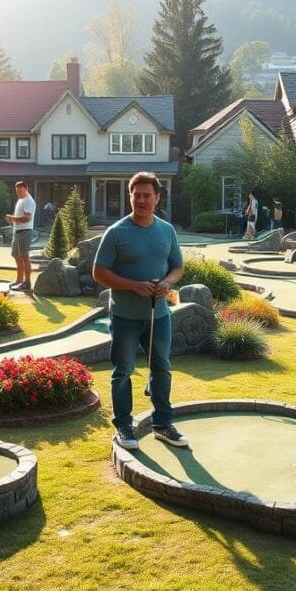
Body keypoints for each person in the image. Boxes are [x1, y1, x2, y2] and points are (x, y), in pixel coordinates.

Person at [93, 172, 186, 451]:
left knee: (162, 368)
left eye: (147, 195)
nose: (142, 200)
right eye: (137, 195)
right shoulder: (116, 232)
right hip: (124, 317)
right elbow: (99, 272)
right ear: (129, 196)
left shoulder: (166, 230)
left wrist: (168, 282)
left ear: (158, 198)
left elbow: (177, 266)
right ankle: (123, 425)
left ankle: (163, 423)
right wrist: (133, 286)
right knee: (123, 371)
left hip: (159, 316)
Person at [5, 181, 36, 292]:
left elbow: (27, 218)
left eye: (20, 191)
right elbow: (19, 218)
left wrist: (12, 218)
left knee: (24, 256)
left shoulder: (29, 201)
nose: (18, 193)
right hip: (17, 231)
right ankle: (19, 280)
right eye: (17, 191)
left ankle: (27, 283)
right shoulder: (20, 200)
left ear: (26, 188)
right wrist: (12, 220)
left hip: (25, 231)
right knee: (16, 255)